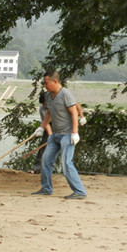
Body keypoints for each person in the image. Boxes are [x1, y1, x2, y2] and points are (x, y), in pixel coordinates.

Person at [31, 70, 87, 199]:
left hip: (67, 135)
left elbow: (74, 113)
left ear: (55, 81)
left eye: (46, 83)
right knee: (45, 161)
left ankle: (79, 191)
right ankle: (46, 188)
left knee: (66, 163)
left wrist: (74, 133)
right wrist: (41, 127)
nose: (44, 85)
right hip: (55, 135)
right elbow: (49, 113)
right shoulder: (48, 96)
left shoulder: (65, 94)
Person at [31, 94, 86, 174]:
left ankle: (70, 170)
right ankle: (37, 168)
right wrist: (50, 135)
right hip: (52, 124)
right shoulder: (42, 109)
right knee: (44, 145)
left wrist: (82, 117)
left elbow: (76, 105)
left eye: (45, 103)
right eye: (43, 104)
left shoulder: (62, 101)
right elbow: (46, 123)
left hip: (65, 124)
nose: (44, 105)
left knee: (67, 145)